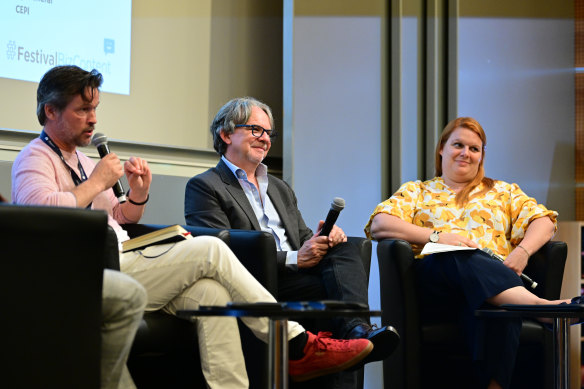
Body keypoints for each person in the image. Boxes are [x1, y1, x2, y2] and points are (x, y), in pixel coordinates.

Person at [11, 65, 374, 389]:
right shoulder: (35, 157)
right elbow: (38, 215)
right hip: (87, 271)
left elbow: (119, 220)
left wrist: (136, 195)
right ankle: (296, 345)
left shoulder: (81, 159)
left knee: (211, 296)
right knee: (212, 248)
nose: (92, 119)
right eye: (82, 110)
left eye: (94, 109)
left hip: (119, 255)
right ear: (51, 111)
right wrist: (97, 182)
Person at [364, 116, 582, 389]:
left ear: (481, 156)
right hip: (436, 285)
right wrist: (441, 237)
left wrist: (523, 252)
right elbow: (381, 224)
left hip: (491, 285)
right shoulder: (417, 191)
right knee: (454, 252)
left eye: (474, 148)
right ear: (442, 148)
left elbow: (545, 222)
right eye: (458, 145)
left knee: (500, 309)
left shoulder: (503, 192)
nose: (466, 153)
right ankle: (540, 307)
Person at [184, 97, 399, 368]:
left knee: (347, 246)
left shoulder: (278, 187)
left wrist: (321, 240)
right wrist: (295, 258)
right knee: (333, 289)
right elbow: (219, 253)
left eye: (268, 133)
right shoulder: (205, 186)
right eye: (255, 130)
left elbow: (300, 237)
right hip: (256, 282)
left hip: (297, 275)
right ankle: (354, 336)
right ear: (225, 134)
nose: (265, 139)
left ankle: (356, 331)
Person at [0, 192, 147, 389]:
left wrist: (139, 194)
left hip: (47, 265)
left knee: (203, 288)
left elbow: (122, 215)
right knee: (128, 295)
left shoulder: (86, 161)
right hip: (40, 269)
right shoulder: (33, 161)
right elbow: (39, 210)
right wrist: (97, 181)